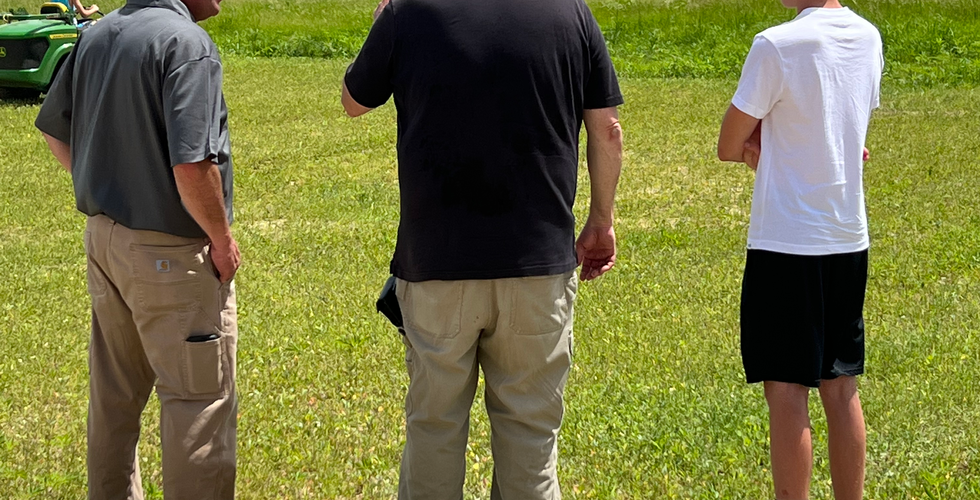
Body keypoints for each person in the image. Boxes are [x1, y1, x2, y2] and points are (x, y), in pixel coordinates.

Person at [342, 0, 623, 498]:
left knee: (434, 431)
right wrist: (601, 221)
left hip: (435, 264)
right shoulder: (572, 13)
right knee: (530, 441)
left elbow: (354, 100)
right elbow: (607, 129)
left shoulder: (408, 9)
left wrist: (384, 21)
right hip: (538, 267)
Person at [34, 0, 239, 497]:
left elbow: (53, 128)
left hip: (105, 239)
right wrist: (221, 239)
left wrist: (102, 179)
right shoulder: (186, 44)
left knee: (114, 398)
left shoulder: (97, 34)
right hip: (171, 253)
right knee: (196, 402)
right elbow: (192, 166)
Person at [717, 1, 882, 499]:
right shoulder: (868, 37)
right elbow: (848, 131)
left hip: (786, 242)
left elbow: (728, 143)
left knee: (787, 390)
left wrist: (759, 144)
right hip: (847, 236)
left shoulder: (775, 44)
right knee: (842, 385)